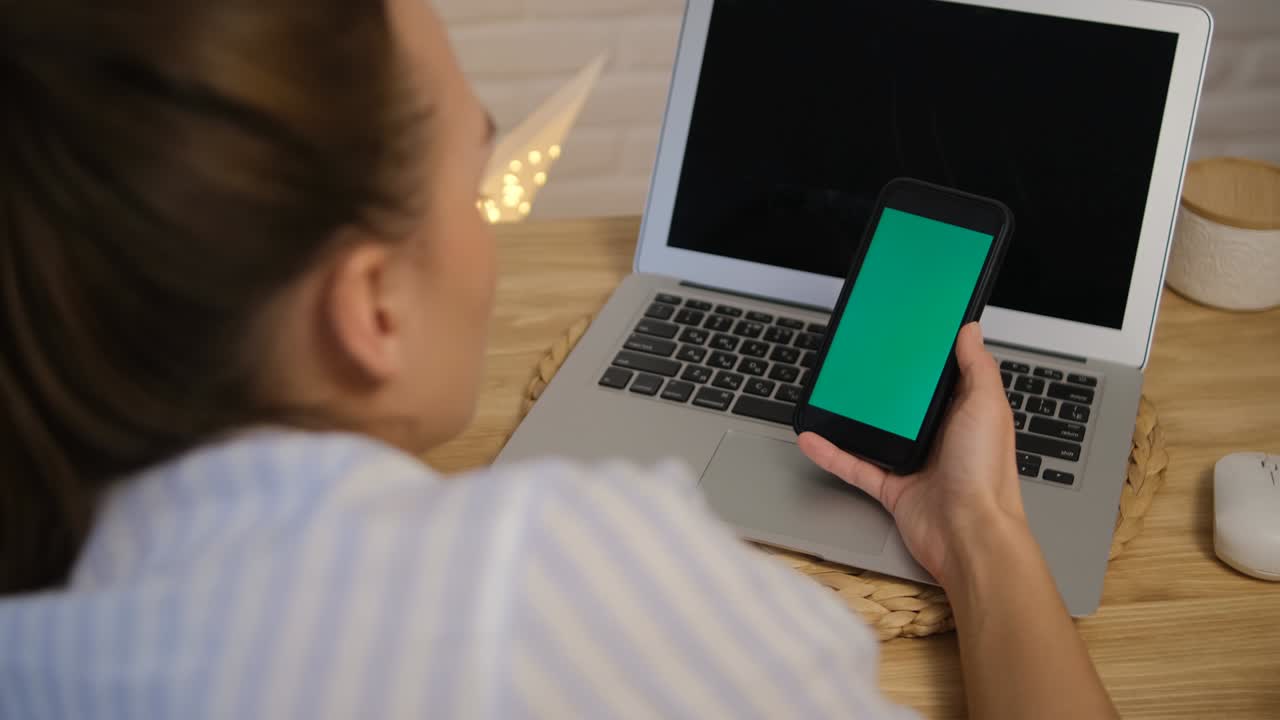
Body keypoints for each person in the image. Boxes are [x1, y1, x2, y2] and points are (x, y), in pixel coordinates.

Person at [0, 0, 1119, 717]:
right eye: (478, 185)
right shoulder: (550, 578)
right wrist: (982, 529)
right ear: (371, 307)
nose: (491, 232)